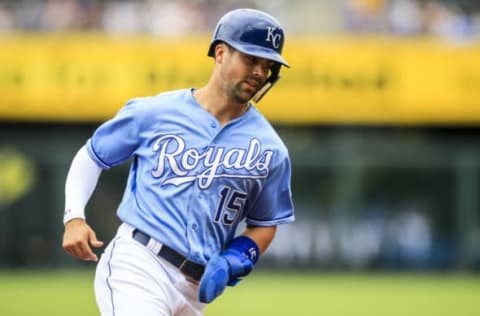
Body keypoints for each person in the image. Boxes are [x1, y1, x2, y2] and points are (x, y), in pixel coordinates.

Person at [62, 8, 295, 316]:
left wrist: (234, 258)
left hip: (195, 290)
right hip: (140, 263)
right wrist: (74, 217)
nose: (258, 72)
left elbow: (264, 225)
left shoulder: (270, 149)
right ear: (221, 53)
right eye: (251, 59)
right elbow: (92, 156)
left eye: (268, 65)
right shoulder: (155, 113)